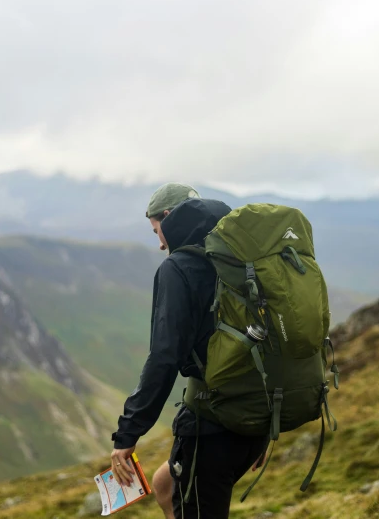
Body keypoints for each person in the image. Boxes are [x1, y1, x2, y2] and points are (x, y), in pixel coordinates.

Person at [110, 183, 269, 519]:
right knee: (164, 485)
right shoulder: (243, 257)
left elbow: (164, 357)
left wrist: (128, 434)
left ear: (169, 218)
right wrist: (261, 423)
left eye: (158, 231)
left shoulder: (180, 267)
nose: (160, 244)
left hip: (213, 427)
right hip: (253, 421)